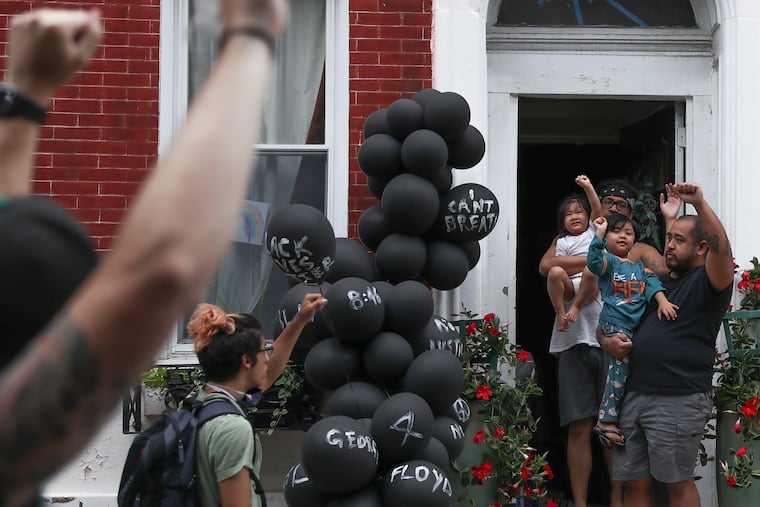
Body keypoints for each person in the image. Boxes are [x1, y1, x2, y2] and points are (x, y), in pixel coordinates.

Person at [0, 2, 289, 507]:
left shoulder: (206, 406)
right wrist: (252, 34)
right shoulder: (232, 427)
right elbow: (164, 267)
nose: (266, 358)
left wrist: (25, 98)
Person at [538, 179, 681, 507]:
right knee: (579, 426)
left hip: (617, 343)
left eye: (622, 206)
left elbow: (671, 270)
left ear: (632, 219)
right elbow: (547, 266)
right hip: (575, 339)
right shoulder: (576, 240)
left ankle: (617, 500)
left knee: (614, 425)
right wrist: (592, 254)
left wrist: (670, 221)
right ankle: (581, 502)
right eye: (608, 204)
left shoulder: (641, 250)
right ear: (597, 214)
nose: (614, 209)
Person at [601, 182, 734, 507]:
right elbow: (611, 322)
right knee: (635, 484)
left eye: (679, 240)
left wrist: (700, 203)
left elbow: (722, 248)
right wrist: (606, 342)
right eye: (668, 239)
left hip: (678, 399)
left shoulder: (709, 281)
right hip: (634, 396)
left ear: (701, 247)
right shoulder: (653, 281)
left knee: (677, 485)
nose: (669, 246)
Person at [187, 295, 325, 507]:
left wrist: (299, 320)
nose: (268, 357)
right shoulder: (231, 427)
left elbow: (267, 375)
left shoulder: (197, 403)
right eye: (264, 350)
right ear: (247, 361)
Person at [586, 214, 679, 449]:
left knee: (624, 372)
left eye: (629, 233)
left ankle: (617, 416)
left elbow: (653, 285)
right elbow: (594, 262)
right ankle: (606, 420)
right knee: (619, 371)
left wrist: (663, 301)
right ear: (607, 238)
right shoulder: (609, 263)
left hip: (633, 328)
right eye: (616, 232)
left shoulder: (640, 267)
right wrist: (597, 235)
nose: (623, 236)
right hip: (615, 326)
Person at [546, 174, 603, 332]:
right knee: (555, 271)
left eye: (579, 212)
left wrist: (587, 186)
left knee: (591, 269)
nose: (574, 217)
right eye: (568, 214)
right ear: (562, 222)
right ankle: (560, 312)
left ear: (588, 216)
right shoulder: (562, 241)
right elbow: (562, 266)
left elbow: (597, 208)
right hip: (569, 287)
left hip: (590, 287)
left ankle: (576, 307)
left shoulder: (592, 230)